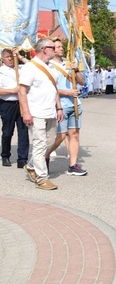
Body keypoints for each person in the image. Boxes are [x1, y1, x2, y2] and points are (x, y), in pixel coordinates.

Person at [18, 38, 63, 190]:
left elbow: (54, 89)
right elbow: (22, 91)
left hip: (50, 111)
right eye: (52, 47)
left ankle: (31, 166)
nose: (55, 50)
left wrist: (59, 107)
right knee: (39, 144)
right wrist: (26, 112)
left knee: (50, 143)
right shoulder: (30, 67)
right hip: (36, 112)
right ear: (44, 49)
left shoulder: (51, 67)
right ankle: (42, 178)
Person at [45, 39, 87, 176]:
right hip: (60, 105)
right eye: (57, 47)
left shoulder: (69, 64)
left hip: (75, 104)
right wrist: (67, 92)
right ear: (52, 49)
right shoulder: (49, 66)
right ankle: (44, 155)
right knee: (60, 136)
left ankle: (73, 165)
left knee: (74, 135)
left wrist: (76, 70)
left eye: (62, 46)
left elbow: (82, 82)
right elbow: (51, 88)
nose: (61, 49)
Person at [0, 48, 29, 168]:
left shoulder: (21, 68)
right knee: (7, 132)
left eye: (12, 56)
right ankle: (5, 155)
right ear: (2, 58)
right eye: (8, 57)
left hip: (22, 103)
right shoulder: (1, 71)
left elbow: (33, 65)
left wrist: (20, 57)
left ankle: (22, 159)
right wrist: (13, 90)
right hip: (8, 104)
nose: (11, 58)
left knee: (23, 132)